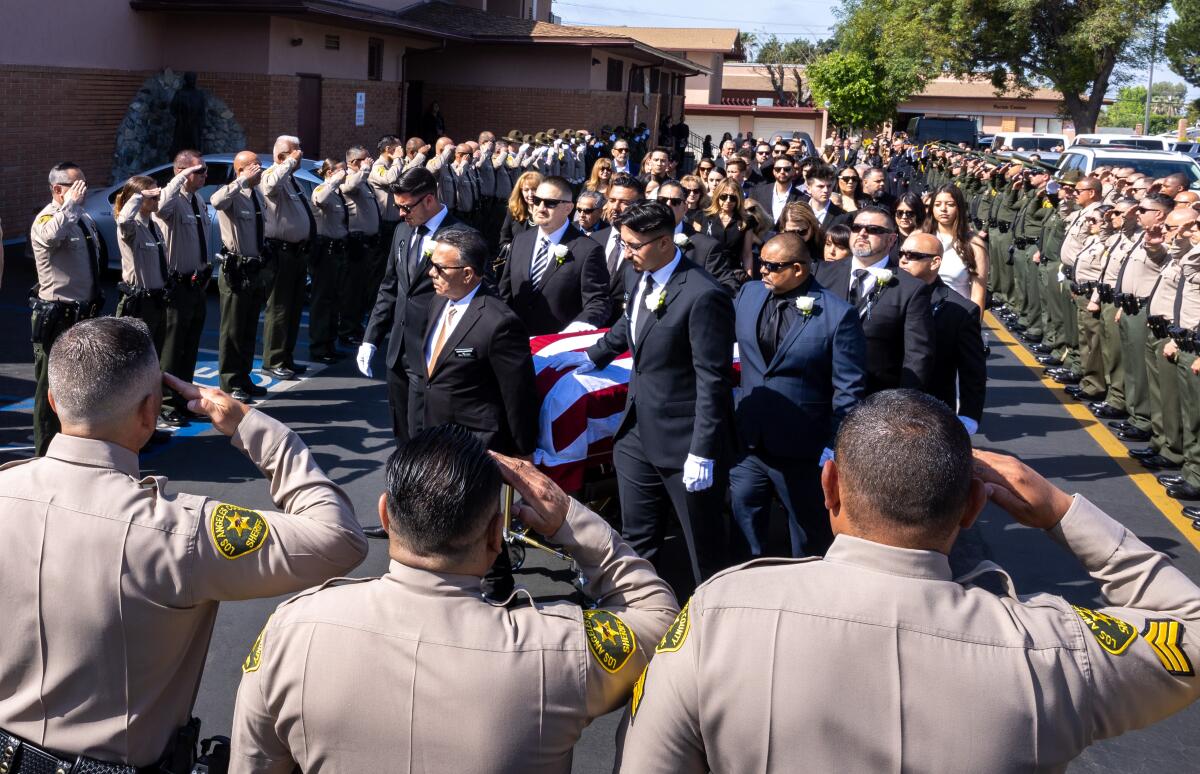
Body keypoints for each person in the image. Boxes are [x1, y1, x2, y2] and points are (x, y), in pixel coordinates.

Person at [614, 389, 1200, 773]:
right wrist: (1058, 509)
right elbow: (1191, 628)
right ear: (973, 508)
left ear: (830, 488)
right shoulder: (1053, 651)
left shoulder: (720, 614)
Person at [0, 317, 367, 771]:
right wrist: (254, 429)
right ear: (149, 411)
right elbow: (339, 539)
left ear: (54, 401)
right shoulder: (180, 530)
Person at [230, 425, 678, 772]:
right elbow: (659, 619)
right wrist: (570, 521)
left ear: (385, 514)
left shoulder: (291, 632)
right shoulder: (559, 651)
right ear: (493, 536)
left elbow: (252, 763)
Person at [550, 202, 736, 590]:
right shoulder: (640, 276)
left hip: (683, 442)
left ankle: (713, 618)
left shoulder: (703, 296)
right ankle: (640, 610)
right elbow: (629, 323)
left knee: (702, 543)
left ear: (665, 242)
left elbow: (712, 380)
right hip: (636, 433)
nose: (627, 252)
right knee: (637, 536)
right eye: (624, 242)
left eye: (634, 245)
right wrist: (592, 355)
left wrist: (702, 451)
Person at [731, 233, 866, 558]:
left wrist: (833, 446)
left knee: (806, 535)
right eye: (761, 262)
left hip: (803, 450)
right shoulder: (748, 295)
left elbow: (848, 389)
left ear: (798, 269)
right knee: (742, 522)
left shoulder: (836, 315)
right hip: (748, 443)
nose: (762, 270)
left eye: (771, 266)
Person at [359, 167, 475, 446]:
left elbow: (477, 298)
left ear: (429, 200)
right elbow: (390, 287)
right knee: (401, 432)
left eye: (406, 207)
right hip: (397, 352)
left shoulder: (462, 236)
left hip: (431, 351)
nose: (400, 213)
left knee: (424, 435)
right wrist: (371, 339)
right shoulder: (402, 231)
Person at [407, 229, 539, 457]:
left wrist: (523, 451)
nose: (431, 273)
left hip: (473, 447)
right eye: (432, 264)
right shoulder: (438, 303)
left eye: (440, 268)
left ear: (467, 274)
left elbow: (518, 394)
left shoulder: (500, 323)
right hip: (432, 436)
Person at [29, 163, 106, 455]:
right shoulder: (48, 218)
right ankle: (45, 451)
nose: (83, 190)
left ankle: (76, 444)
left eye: (84, 183)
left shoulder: (82, 217)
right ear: (58, 189)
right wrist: (70, 206)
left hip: (83, 313)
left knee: (81, 384)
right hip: (57, 316)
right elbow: (49, 237)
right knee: (50, 386)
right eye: (76, 185)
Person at [815, 207, 934, 394]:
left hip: (877, 397)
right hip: (821, 391)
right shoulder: (822, 274)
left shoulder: (910, 289)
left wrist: (903, 404)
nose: (862, 233)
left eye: (874, 229)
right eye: (856, 227)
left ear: (891, 240)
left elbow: (917, 355)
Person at [498, 175, 610, 335]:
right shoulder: (520, 241)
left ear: (568, 208)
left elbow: (598, 302)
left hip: (557, 345)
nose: (540, 208)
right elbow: (505, 292)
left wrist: (576, 329)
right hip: (516, 341)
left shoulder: (588, 250)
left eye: (550, 203)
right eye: (537, 201)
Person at [898, 232, 986, 433]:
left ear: (934, 262)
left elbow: (972, 372)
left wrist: (968, 416)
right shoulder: (882, 293)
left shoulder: (961, 310)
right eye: (901, 253)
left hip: (930, 410)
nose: (903, 260)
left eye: (913, 256)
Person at [154, 149, 213, 427]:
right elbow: (161, 207)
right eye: (198, 171)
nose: (204, 175)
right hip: (176, 284)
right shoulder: (173, 200)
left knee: (189, 346)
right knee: (172, 348)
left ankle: (185, 399)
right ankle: (167, 403)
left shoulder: (196, 199)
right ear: (181, 173)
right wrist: (179, 179)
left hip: (196, 283)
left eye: (204, 170)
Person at [211, 151, 270, 403]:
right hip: (237, 269)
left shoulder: (256, 195)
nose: (259, 170)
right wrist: (241, 182)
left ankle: (244, 377)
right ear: (241, 170)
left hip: (255, 268)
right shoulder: (233, 193)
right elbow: (216, 201)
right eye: (254, 166)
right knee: (233, 330)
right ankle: (230, 381)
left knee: (248, 329)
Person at [259, 134, 316, 382]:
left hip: (297, 252)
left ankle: (286, 357)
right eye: (296, 151)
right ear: (282, 156)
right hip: (280, 252)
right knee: (280, 308)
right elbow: (270, 186)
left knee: (293, 308)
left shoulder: (291, 180)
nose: (301, 154)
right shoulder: (272, 175)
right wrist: (287, 163)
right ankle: (273, 360)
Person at [113, 175, 168, 355]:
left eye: (157, 195)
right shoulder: (132, 227)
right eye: (152, 197)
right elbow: (123, 220)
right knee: (134, 358)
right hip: (139, 304)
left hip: (158, 301)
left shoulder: (153, 225)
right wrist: (138, 196)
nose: (157, 199)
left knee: (154, 356)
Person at [657, 179, 733, 295]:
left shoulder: (706, 247)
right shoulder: (641, 238)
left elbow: (728, 287)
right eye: (662, 200)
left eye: (675, 202)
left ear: (685, 208)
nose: (668, 205)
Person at [308, 158, 351, 364]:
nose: (344, 175)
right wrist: (333, 181)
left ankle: (329, 344)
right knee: (322, 301)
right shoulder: (321, 189)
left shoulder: (337, 194)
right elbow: (319, 200)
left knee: (335, 300)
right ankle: (318, 346)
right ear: (329, 173)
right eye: (340, 171)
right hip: (325, 252)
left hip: (338, 251)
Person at [590, 173, 645, 324]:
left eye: (624, 202)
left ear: (639, 204)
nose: (615, 207)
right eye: (612, 200)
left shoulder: (647, 246)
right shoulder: (594, 240)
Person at [925, 184, 990, 311]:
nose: (943, 209)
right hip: (922, 314)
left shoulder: (974, 244)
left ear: (959, 207)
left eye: (950, 204)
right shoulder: (921, 238)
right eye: (937, 204)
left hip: (958, 315)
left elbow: (978, 295)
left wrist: (973, 328)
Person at [700, 179, 754, 287]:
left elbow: (747, 254)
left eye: (733, 198)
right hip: (708, 272)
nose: (728, 201)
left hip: (733, 274)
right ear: (717, 196)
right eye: (724, 197)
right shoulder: (706, 216)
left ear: (738, 199)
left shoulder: (745, 221)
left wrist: (749, 281)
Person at [748, 157, 804, 224]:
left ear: (793, 171)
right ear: (774, 172)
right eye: (778, 169)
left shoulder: (802, 198)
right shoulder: (757, 192)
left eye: (787, 169)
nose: (782, 172)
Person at [499, 170, 543, 253]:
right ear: (520, 192)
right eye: (526, 190)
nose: (530, 194)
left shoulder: (549, 212)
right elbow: (504, 239)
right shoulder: (514, 210)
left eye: (534, 189)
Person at [805, 164, 847, 230]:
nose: (826, 190)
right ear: (808, 189)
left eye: (829, 186)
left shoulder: (841, 216)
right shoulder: (797, 210)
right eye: (820, 186)